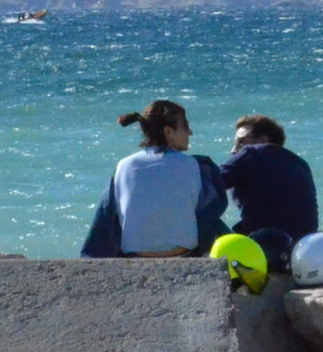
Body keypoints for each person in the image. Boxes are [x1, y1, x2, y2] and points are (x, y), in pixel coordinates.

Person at [81, 99, 227, 258]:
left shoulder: (124, 165)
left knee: (113, 210)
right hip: (184, 254)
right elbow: (215, 208)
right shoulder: (197, 165)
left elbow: (104, 219)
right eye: (185, 126)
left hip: (135, 255)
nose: (190, 132)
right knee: (213, 217)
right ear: (168, 132)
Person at [220, 115, 319, 243]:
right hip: (303, 244)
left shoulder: (252, 153)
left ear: (263, 140)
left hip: (263, 243)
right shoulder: (300, 164)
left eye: (241, 142)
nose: (234, 150)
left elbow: (210, 182)